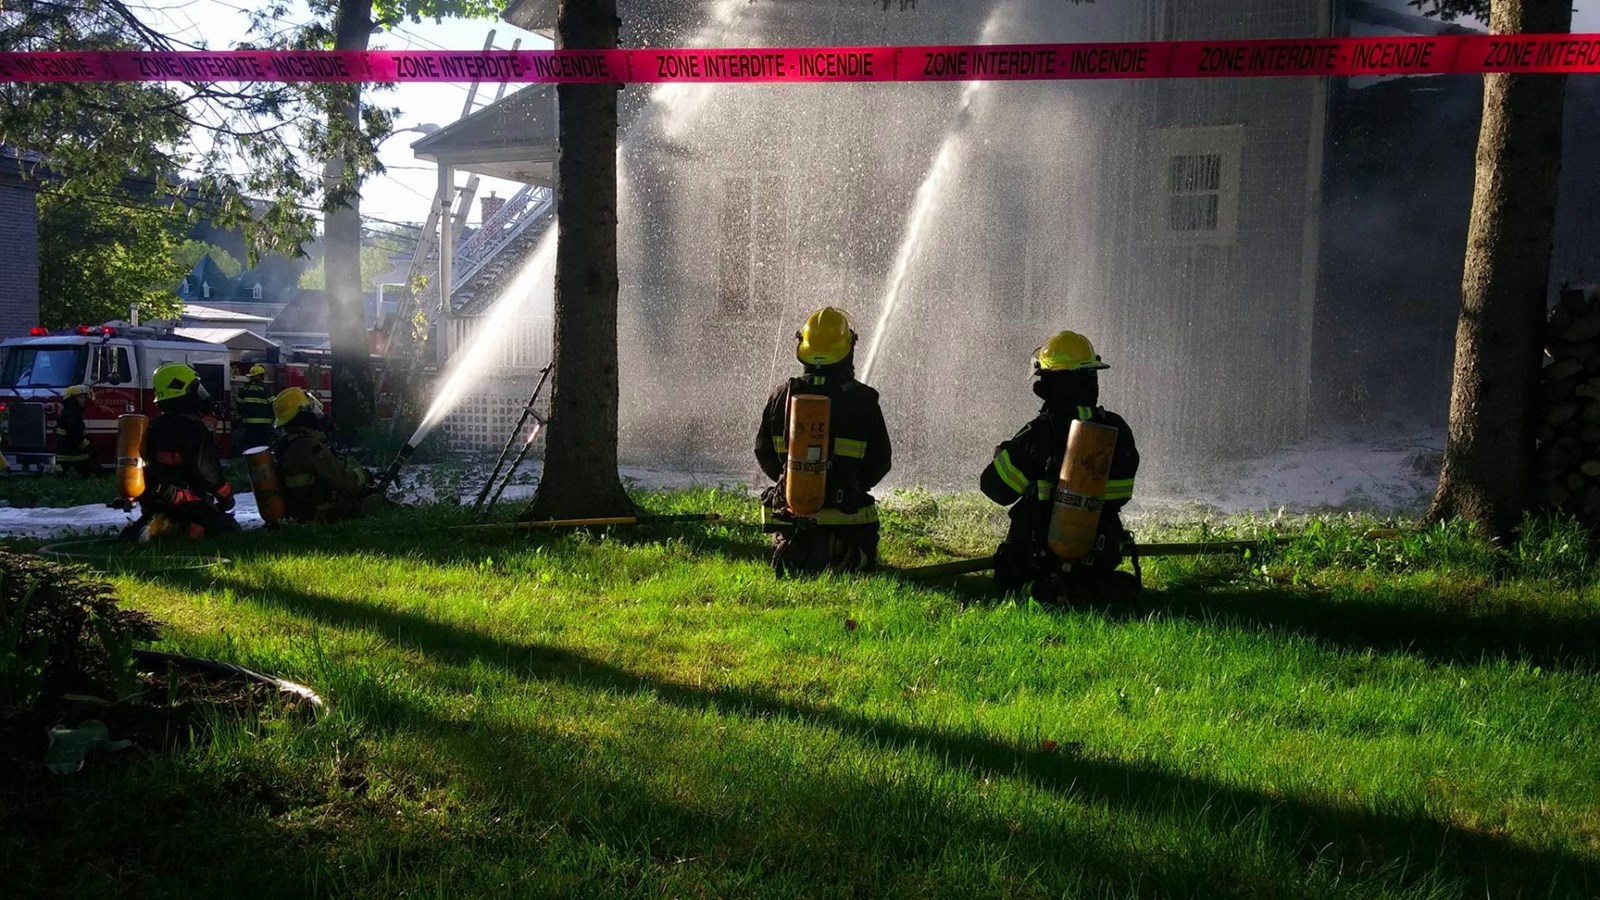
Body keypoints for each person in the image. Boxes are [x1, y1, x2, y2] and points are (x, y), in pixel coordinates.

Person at [980, 330, 1140, 604]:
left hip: (1039, 557)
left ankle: (1041, 591)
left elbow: (996, 488)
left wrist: (1004, 456)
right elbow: (1121, 494)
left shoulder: (1042, 431)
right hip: (1098, 556)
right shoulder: (1116, 429)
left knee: (1009, 572)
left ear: (1052, 383)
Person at [755, 307, 892, 575]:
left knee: (793, 536)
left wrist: (794, 481)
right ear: (847, 350)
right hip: (847, 517)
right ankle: (842, 552)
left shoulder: (781, 396)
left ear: (803, 348)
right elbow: (880, 462)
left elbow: (763, 452)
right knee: (865, 557)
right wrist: (849, 486)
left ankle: (796, 545)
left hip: (793, 514)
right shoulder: (863, 401)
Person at [126, 362, 240, 540]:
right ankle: (174, 531)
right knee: (228, 529)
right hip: (188, 505)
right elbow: (209, 474)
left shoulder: (154, 427)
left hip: (155, 504)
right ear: (183, 391)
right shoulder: (194, 428)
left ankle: (151, 528)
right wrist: (227, 499)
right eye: (195, 388)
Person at [271, 387, 385, 523]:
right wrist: (364, 475)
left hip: (299, 511)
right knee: (379, 500)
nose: (317, 414)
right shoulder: (310, 446)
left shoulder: (286, 445)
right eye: (311, 410)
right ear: (302, 414)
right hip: (318, 513)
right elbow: (340, 481)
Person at [54, 384, 99, 477]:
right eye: (81, 397)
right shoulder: (70, 417)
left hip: (73, 457)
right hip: (74, 459)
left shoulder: (71, 414)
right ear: (72, 400)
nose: (84, 400)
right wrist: (90, 448)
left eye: (84, 397)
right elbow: (76, 437)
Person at [235, 364, 275, 452]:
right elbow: (273, 406)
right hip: (264, 426)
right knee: (264, 447)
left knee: (251, 448)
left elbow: (239, 407)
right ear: (261, 376)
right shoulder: (266, 390)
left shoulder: (243, 390)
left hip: (249, 426)